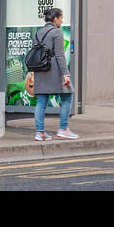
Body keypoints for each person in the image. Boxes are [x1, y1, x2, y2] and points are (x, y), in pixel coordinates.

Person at [32, 8, 77, 142]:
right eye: (61, 18)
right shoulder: (57, 32)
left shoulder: (38, 33)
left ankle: (40, 133)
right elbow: (59, 55)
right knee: (68, 96)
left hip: (40, 70)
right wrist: (66, 74)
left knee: (41, 101)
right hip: (54, 71)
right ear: (55, 19)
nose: (62, 21)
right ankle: (63, 129)